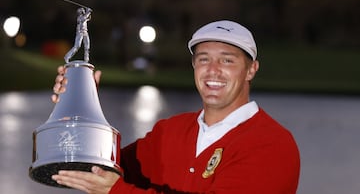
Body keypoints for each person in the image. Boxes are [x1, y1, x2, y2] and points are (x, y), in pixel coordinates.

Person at [51, 20, 300, 194]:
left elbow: (112, 186)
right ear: (194, 66)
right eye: (204, 59)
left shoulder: (272, 144)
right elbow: (89, 167)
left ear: (251, 70)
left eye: (227, 60)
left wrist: (117, 191)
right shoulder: (170, 131)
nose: (213, 70)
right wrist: (78, 104)